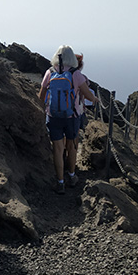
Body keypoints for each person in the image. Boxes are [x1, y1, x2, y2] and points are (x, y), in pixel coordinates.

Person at [39, 46, 99, 194]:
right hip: (72, 117)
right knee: (72, 147)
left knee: (57, 149)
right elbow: (88, 95)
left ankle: (60, 183)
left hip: (53, 116)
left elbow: (41, 96)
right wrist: (96, 99)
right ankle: (72, 176)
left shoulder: (50, 72)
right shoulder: (75, 74)